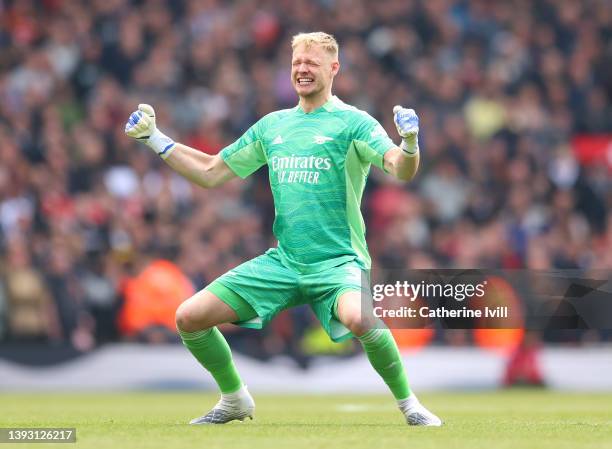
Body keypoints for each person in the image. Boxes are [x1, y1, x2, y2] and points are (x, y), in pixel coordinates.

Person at [124, 31, 442, 426]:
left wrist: (409, 143)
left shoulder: (353, 123)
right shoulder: (272, 127)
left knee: (361, 318)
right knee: (189, 316)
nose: (303, 69)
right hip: (285, 261)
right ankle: (235, 398)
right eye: (297, 63)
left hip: (338, 262)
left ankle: (410, 405)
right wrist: (155, 139)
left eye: (311, 62)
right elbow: (210, 172)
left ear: (334, 68)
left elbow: (400, 168)